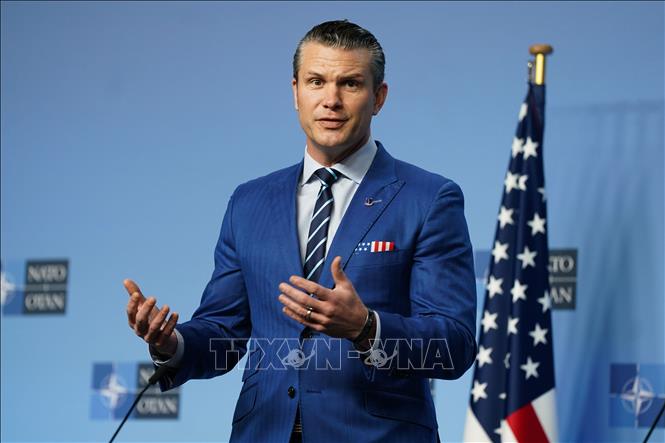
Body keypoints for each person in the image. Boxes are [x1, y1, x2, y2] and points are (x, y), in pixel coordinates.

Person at [124, 19, 477, 443]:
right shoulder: (248, 202)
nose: (331, 100)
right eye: (316, 81)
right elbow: (224, 333)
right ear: (296, 92)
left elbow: (454, 345)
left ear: (379, 97)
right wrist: (171, 343)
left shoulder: (429, 198)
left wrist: (365, 327)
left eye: (350, 83)